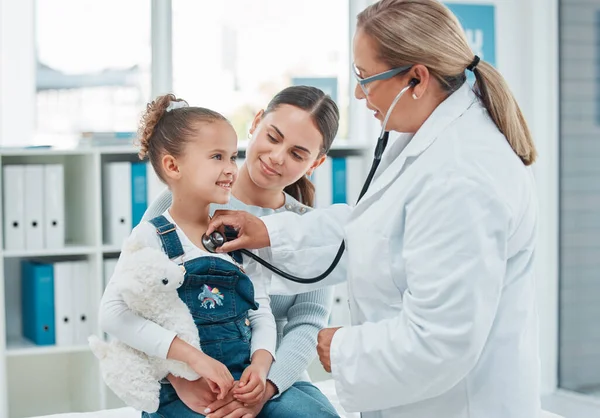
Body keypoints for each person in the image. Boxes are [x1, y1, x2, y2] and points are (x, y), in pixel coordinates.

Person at [205, 1, 540, 417]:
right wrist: (271, 231)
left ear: (417, 78)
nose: (360, 94)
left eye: (366, 78)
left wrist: (344, 349)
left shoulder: (463, 175)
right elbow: (374, 230)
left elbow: (443, 339)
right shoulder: (429, 142)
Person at [102, 86, 341, 418]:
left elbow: (307, 322)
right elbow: (139, 302)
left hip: (269, 375)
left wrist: (265, 385)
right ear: (256, 123)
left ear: (315, 163)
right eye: (273, 137)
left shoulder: (313, 232)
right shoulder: (176, 207)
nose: (276, 157)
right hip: (187, 376)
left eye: (297, 154)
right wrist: (181, 376)